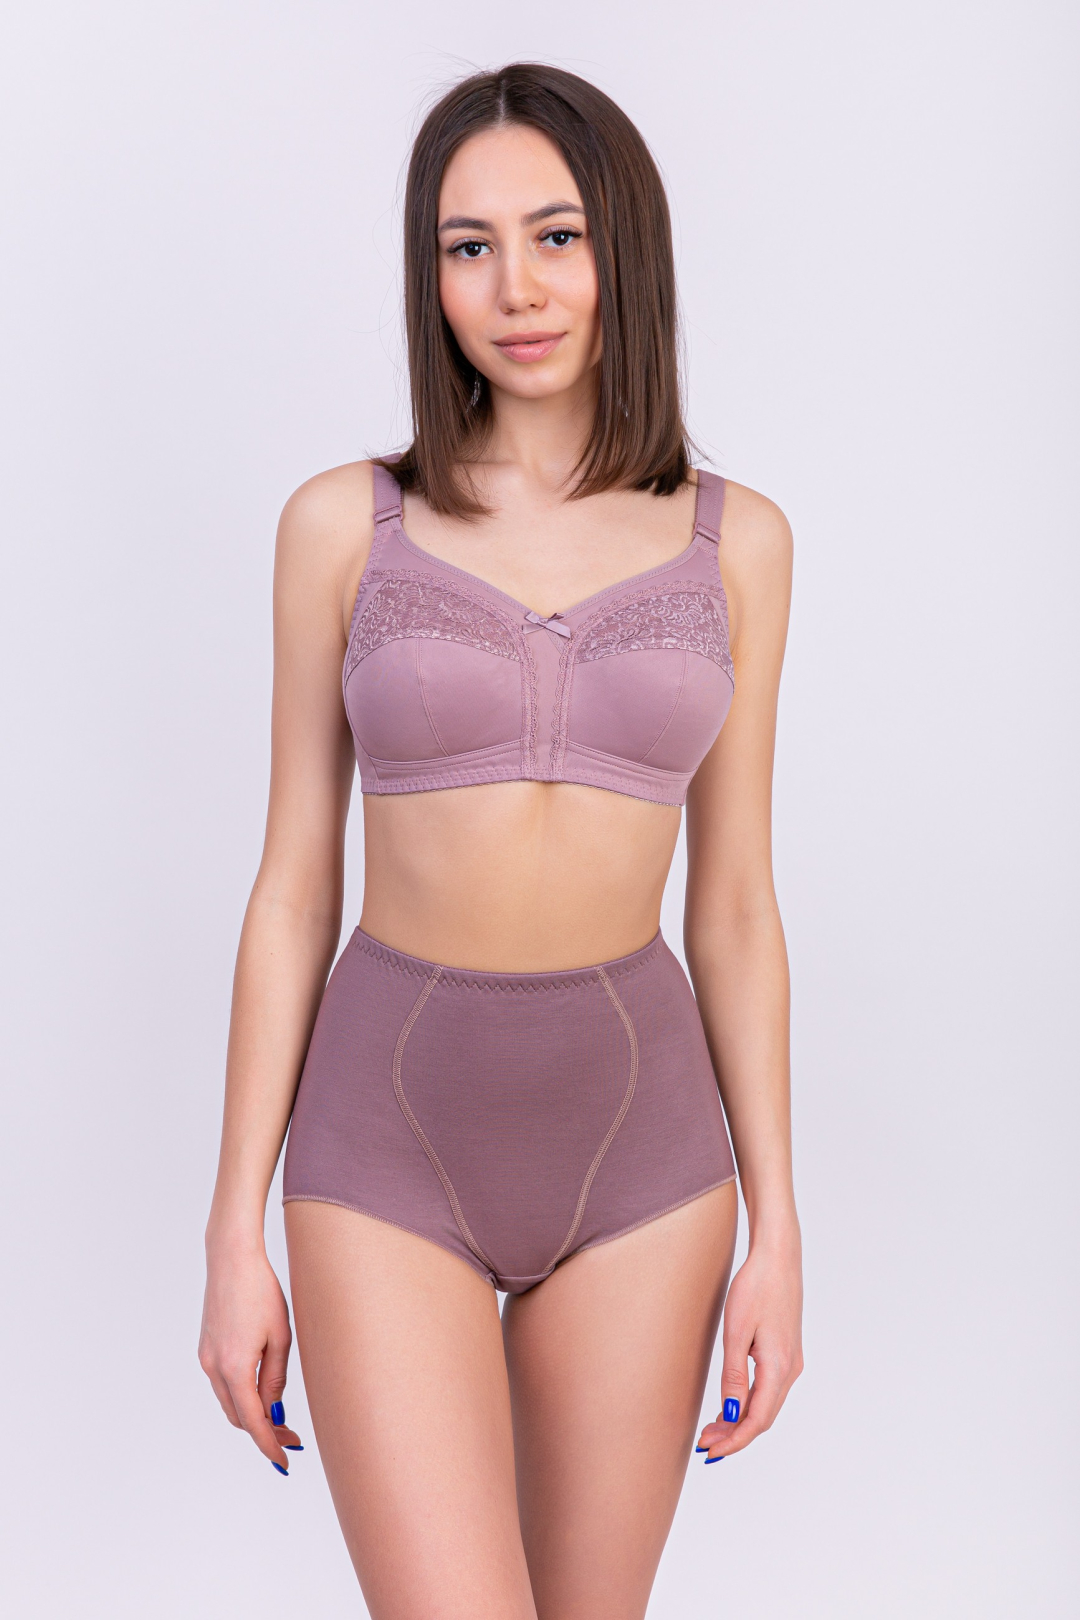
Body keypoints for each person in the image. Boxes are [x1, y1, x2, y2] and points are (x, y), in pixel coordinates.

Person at [199, 61, 803, 1620]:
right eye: (467, 246)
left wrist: (780, 1226)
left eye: (556, 235)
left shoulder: (738, 542)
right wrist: (231, 1232)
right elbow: (292, 889)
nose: (514, 288)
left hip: (646, 1154)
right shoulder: (344, 525)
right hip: (384, 1142)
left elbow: (736, 905)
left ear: (623, 250)